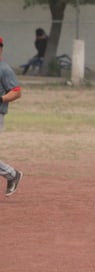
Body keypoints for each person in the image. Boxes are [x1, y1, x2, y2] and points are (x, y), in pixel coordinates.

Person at [0, 36, 24, 196]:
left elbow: (17, 91)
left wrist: (1, 99)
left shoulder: (4, 69)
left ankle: (12, 174)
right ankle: (12, 174)